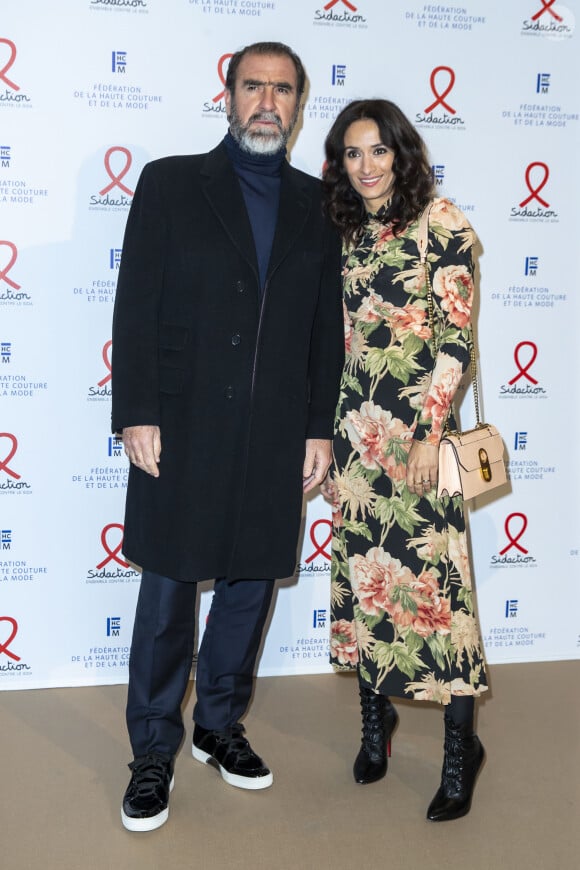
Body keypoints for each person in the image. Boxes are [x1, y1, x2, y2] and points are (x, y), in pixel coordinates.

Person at [111, 41, 344, 833]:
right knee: (170, 592)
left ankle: (217, 724)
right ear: (229, 93)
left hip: (276, 429)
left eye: (283, 90)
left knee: (247, 589)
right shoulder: (171, 182)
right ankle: (151, 749)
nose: (267, 103)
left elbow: (323, 332)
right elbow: (135, 302)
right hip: (181, 425)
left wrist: (319, 429)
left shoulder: (318, 203)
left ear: (298, 103)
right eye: (254, 87)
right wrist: (135, 410)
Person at [321, 99, 488, 822]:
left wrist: (429, 431)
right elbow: (336, 346)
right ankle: (374, 723)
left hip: (420, 441)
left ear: (402, 152)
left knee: (438, 592)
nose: (366, 167)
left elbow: (457, 339)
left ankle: (461, 750)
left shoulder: (440, 221)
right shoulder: (342, 232)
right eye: (353, 154)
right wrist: (326, 441)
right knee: (367, 583)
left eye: (378, 151)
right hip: (357, 439)